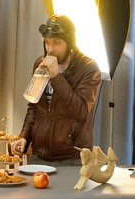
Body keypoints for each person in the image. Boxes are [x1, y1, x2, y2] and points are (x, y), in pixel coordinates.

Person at [10, 14, 101, 164]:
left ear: (70, 42)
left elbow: (81, 112)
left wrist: (56, 77)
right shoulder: (40, 63)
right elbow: (34, 106)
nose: (50, 49)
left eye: (57, 43)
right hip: (39, 155)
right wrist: (24, 136)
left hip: (71, 158)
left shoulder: (88, 69)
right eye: (47, 42)